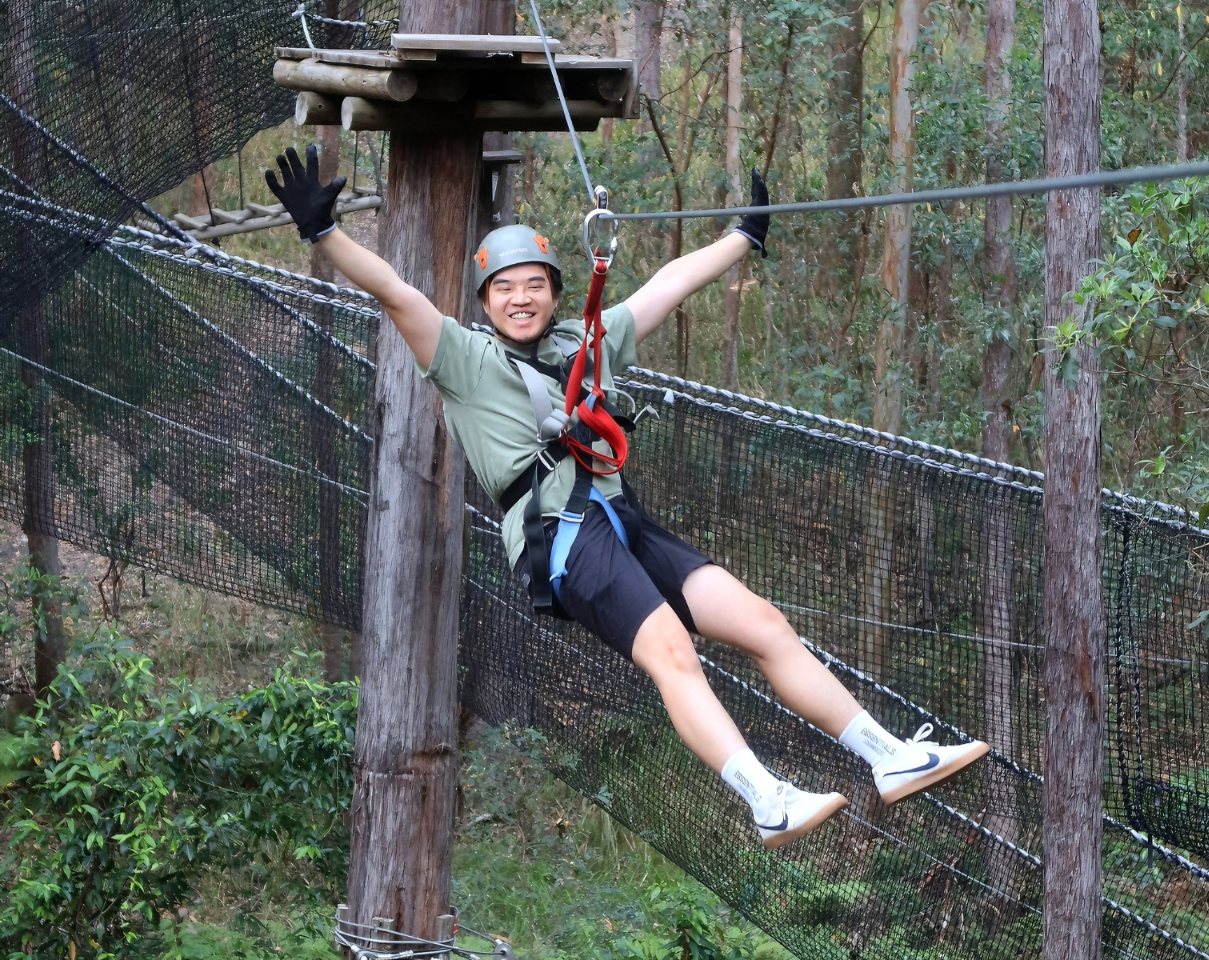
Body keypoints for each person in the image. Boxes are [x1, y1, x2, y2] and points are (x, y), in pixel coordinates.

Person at [267, 146, 989, 850]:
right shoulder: (464, 359)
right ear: (484, 302)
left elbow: (670, 285)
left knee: (764, 623)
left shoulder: (590, 340)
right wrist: (324, 233)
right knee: (673, 653)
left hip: (622, 518)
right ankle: (766, 801)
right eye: (504, 289)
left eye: (534, 285)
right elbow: (396, 292)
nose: (521, 299)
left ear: (553, 290)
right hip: (561, 538)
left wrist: (744, 237)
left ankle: (887, 755)